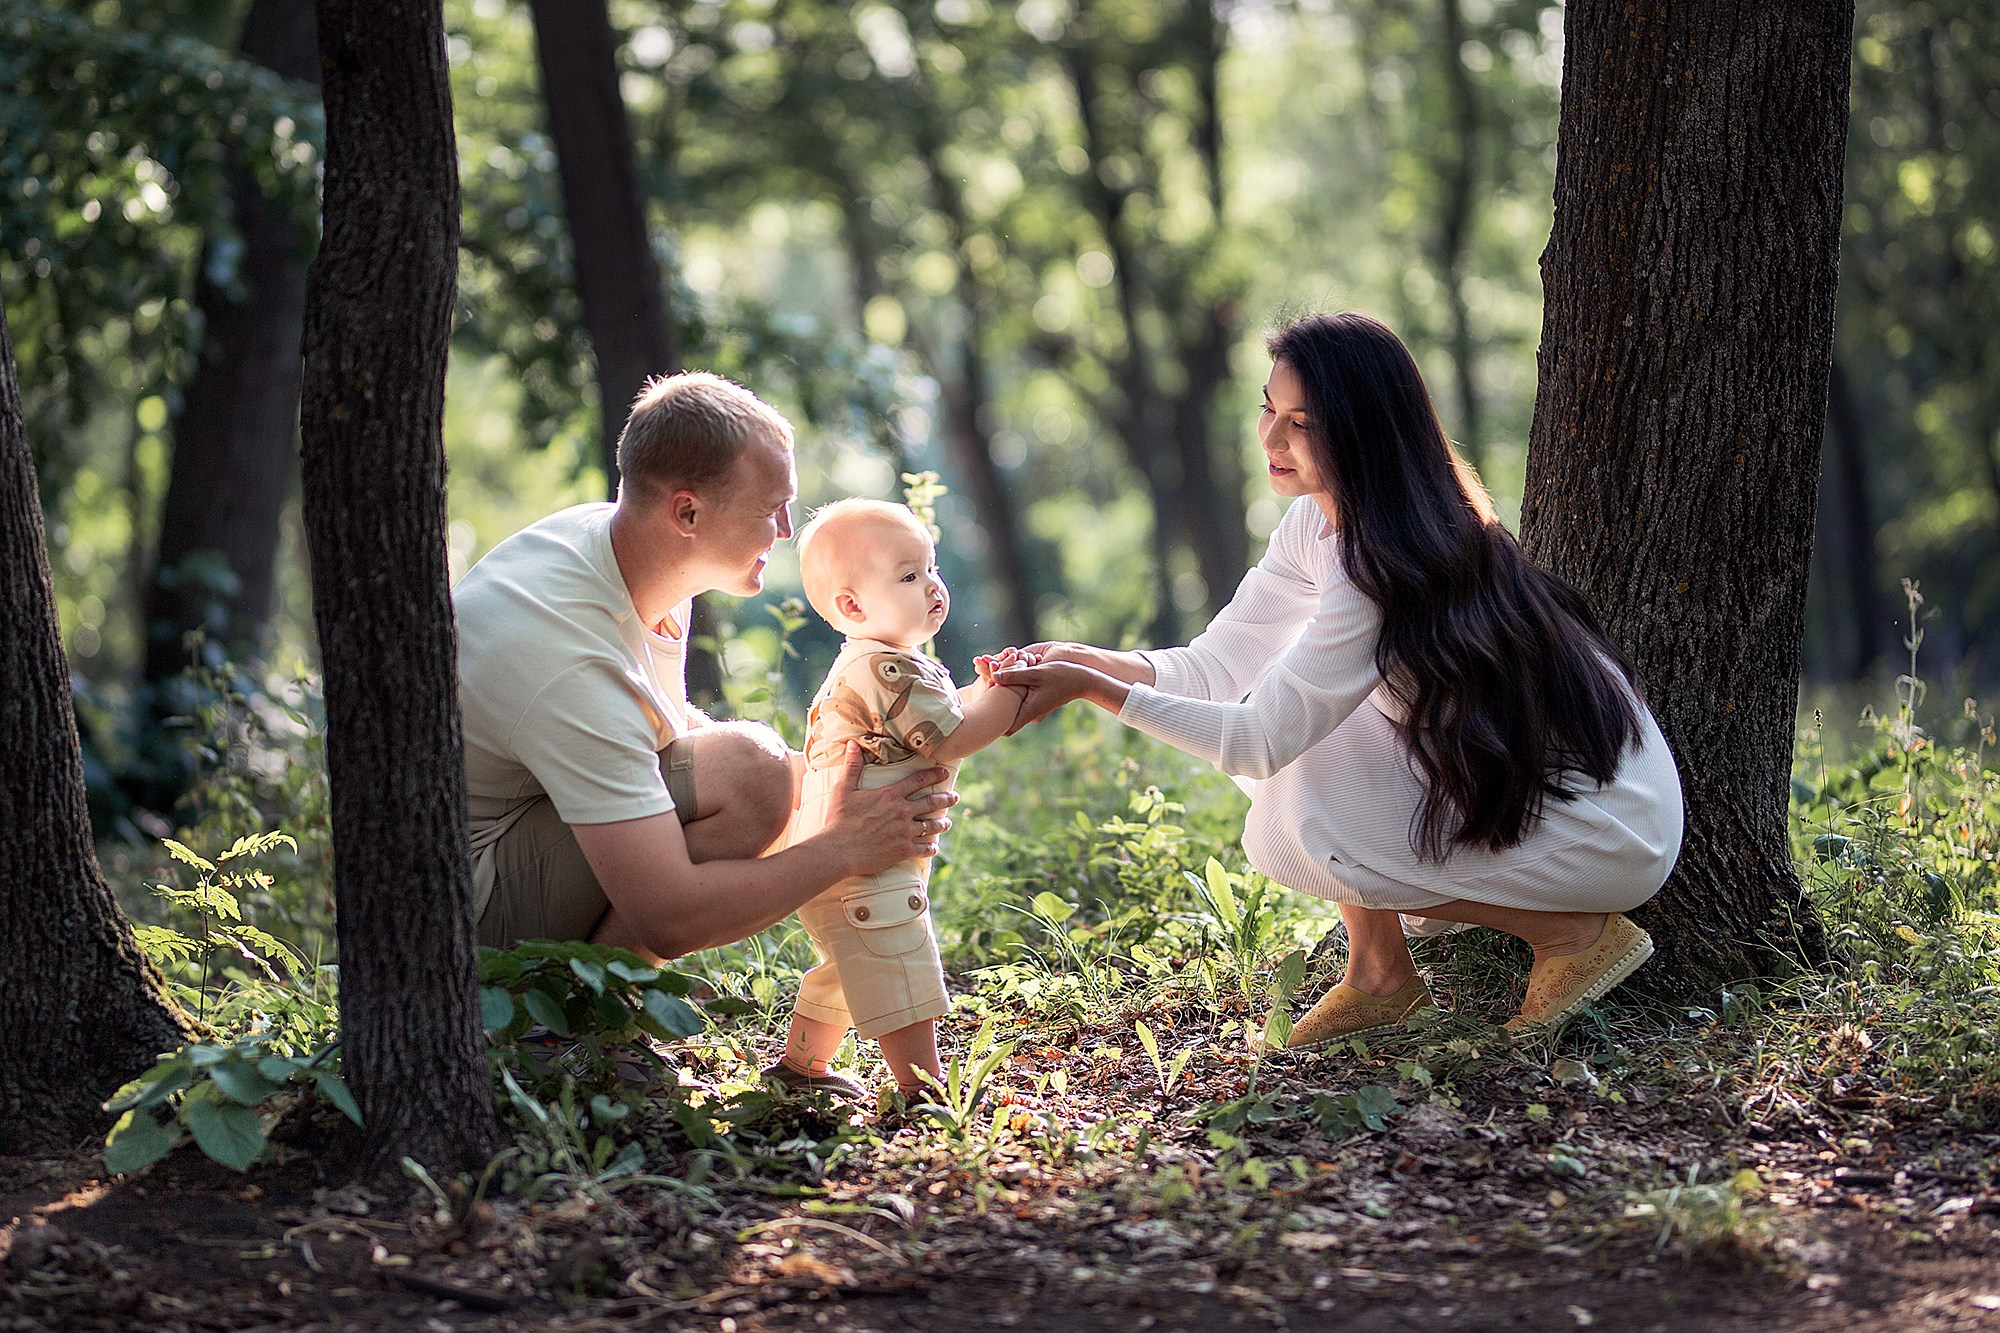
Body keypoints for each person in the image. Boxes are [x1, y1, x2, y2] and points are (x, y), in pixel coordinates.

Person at [993, 313, 1684, 1044]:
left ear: (1364, 432)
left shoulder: (1388, 565)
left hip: (1606, 825)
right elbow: (1215, 665)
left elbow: (1258, 743)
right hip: (1518, 789)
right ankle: (1380, 973)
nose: (1270, 438)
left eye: (1303, 423)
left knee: (1291, 779)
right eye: (1268, 407)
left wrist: (1090, 690)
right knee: (1304, 722)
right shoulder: (1318, 524)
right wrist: (1085, 659)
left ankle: (1572, 934)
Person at [454, 372, 959, 976]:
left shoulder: (634, 555)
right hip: (466, 914)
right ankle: (579, 1013)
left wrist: (830, 783)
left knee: (773, 772)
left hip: (520, 836)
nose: (786, 530)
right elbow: (670, 921)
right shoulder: (571, 654)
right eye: (769, 510)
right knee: (751, 774)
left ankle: (603, 993)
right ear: (687, 512)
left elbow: (650, 730)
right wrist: (844, 848)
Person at [770, 499, 1028, 1098]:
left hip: (839, 854)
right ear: (852, 606)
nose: (933, 585)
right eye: (909, 576)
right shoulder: (884, 671)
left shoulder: (880, 665)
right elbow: (952, 738)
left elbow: (945, 716)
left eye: (931, 567)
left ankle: (800, 1070)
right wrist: (1014, 695)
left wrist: (984, 688)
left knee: (847, 967)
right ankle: (922, 1090)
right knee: (900, 961)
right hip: (865, 861)